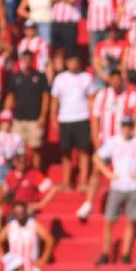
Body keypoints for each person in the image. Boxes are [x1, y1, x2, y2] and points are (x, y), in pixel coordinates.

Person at [93, 117, 136, 265]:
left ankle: (124, 254)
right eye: (124, 126)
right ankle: (106, 253)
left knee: (130, 222)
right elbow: (97, 157)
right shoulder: (113, 141)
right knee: (109, 221)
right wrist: (108, 173)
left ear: (133, 127)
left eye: (129, 126)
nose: (126, 129)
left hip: (133, 186)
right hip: (117, 186)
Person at [50, 52, 95, 194]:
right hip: (65, 118)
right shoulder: (60, 79)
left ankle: (83, 182)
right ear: (66, 63)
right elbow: (54, 101)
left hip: (82, 117)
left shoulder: (86, 77)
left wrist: (93, 118)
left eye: (76, 61)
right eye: (70, 61)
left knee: (84, 151)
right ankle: (66, 181)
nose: (73, 64)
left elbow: (92, 99)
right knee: (66, 152)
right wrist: (53, 118)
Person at [7, 51, 51, 171]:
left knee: (35, 147)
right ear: (21, 60)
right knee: (17, 149)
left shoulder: (40, 76)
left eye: (29, 58)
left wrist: (43, 115)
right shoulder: (16, 77)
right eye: (24, 58)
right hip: (18, 119)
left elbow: (46, 97)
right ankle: (18, 173)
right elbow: (11, 97)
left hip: (34, 118)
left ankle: (36, 173)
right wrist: (7, 115)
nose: (27, 61)